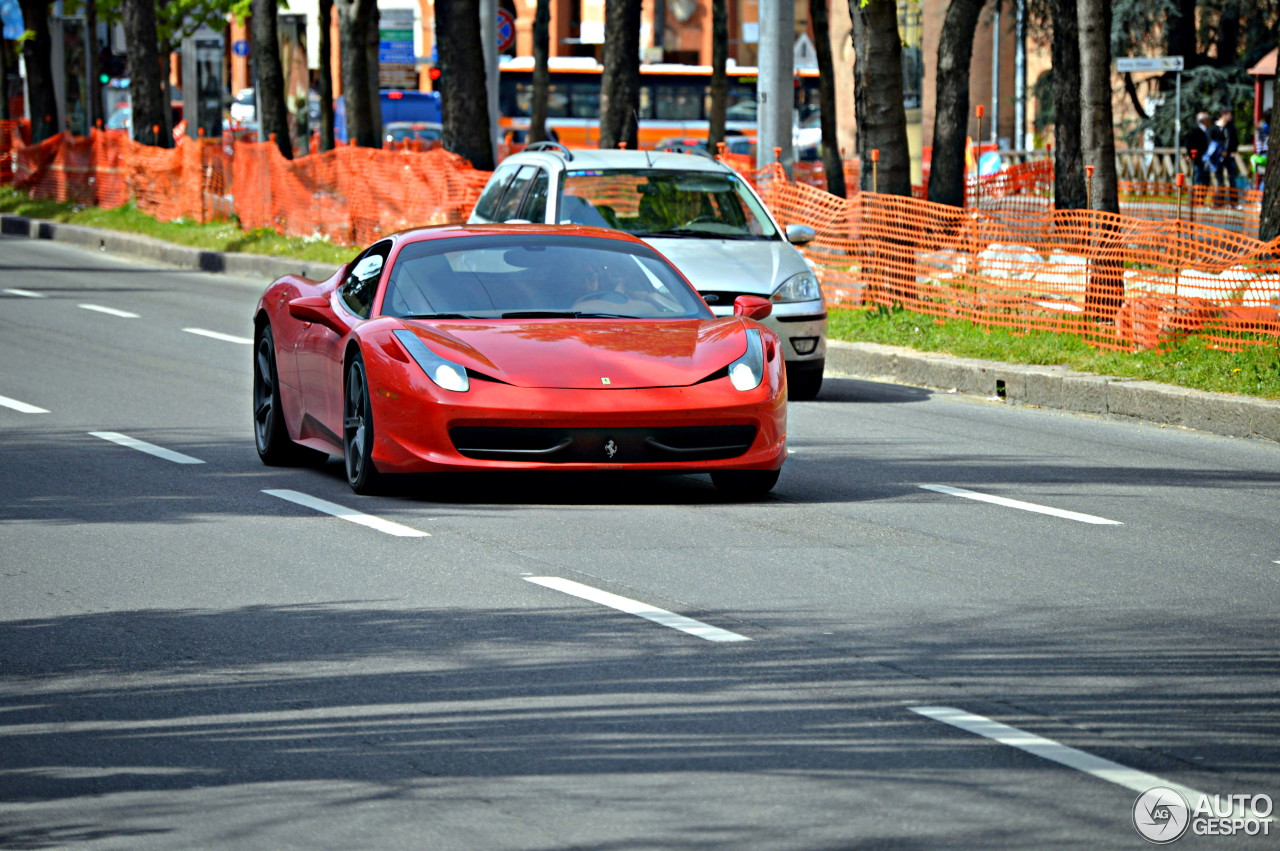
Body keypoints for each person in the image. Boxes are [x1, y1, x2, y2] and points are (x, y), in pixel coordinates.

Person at [1209, 108, 1240, 209]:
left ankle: (1233, 202)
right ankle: (1218, 202)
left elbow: (1235, 141)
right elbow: (1211, 142)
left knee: (1232, 179)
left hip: (1229, 157)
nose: (1231, 117)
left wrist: (1233, 151)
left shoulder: (1230, 128)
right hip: (1218, 157)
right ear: (1223, 115)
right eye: (1229, 114)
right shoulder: (1214, 128)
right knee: (1219, 180)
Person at [1183, 111, 1212, 190]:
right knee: (1198, 180)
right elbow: (1190, 145)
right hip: (1199, 160)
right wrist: (1190, 155)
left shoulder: (1209, 131)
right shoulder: (1195, 132)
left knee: (1206, 181)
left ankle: (1201, 198)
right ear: (1205, 121)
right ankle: (1197, 199)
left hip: (1207, 160)